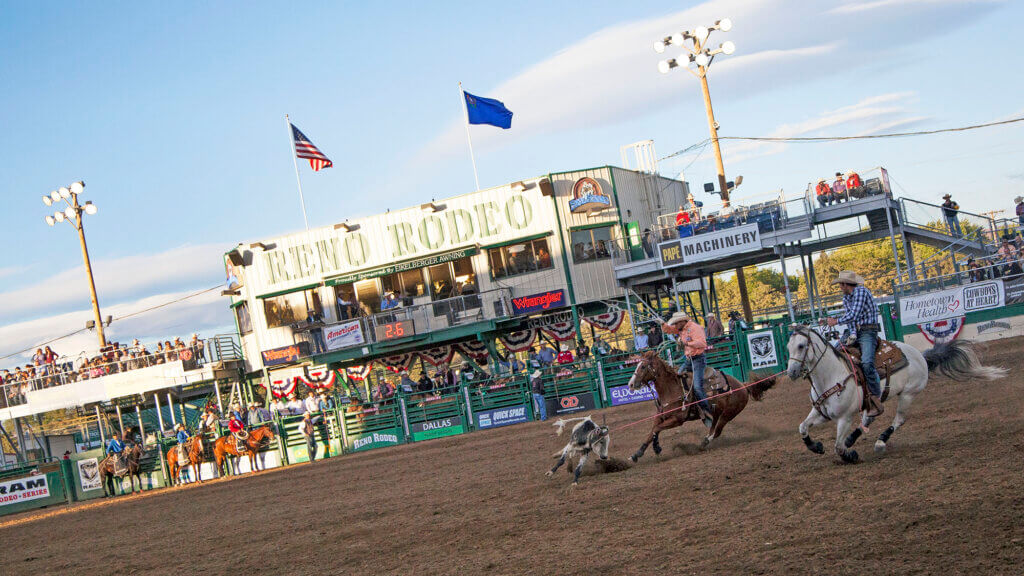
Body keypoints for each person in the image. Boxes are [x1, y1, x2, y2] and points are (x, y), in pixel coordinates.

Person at [826, 270, 884, 417]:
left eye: (840, 284)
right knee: (837, 354)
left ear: (846, 284)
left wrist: (836, 321)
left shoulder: (861, 292)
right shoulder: (846, 297)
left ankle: (876, 396)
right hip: (856, 332)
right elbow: (851, 319)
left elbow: (854, 314)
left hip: (868, 331)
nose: (840, 287)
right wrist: (852, 333)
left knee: (866, 363)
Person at [663, 312, 711, 422]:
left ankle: (707, 410)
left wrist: (687, 343)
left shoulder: (695, 328)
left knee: (698, 387)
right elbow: (669, 329)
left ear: (682, 322)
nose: (675, 325)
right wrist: (662, 324)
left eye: (676, 323)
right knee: (677, 377)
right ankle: (687, 404)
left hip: (698, 360)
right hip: (689, 360)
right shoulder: (682, 329)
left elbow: (702, 343)